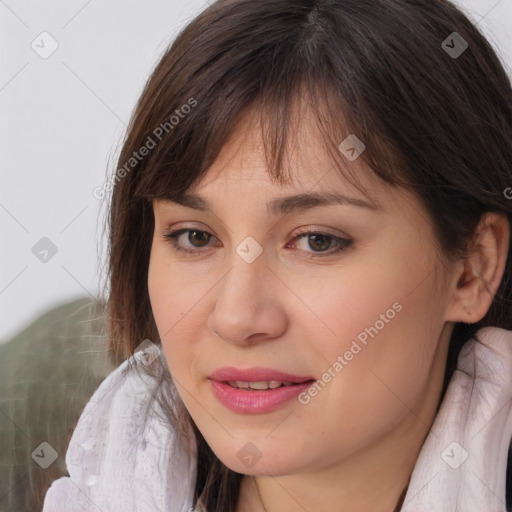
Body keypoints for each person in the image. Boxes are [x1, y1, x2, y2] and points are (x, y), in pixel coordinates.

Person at [43, 0, 512, 510]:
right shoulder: (51, 430)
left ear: (472, 268)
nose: (237, 318)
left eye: (317, 240)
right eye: (195, 237)